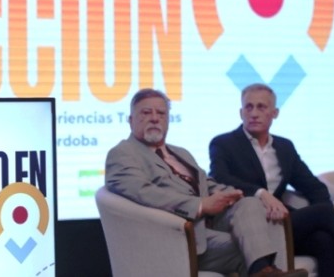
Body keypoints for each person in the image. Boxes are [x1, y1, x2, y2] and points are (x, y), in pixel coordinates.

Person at [105, 88, 307, 277]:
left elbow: (206, 183)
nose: (155, 118)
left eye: (161, 113)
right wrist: (200, 205)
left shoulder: (180, 152)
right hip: (175, 235)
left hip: (207, 225)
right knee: (250, 249)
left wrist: (230, 194)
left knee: (249, 203)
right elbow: (143, 192)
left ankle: (263, 271)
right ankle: (264, 271)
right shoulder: (122, 154)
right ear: (130, 120)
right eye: (146, 113)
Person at [209, 83, 334, 277]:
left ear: (275, 113)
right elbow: (220, 177)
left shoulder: (284, 147)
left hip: (280, 221)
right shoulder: (223, 143)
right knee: (325, 215)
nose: (254, 113)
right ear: (240, 112)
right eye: (248, 107)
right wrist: (261, 194)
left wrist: (319, 218)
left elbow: (314, 187)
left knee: (324, 239)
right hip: (249, 225)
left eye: (261, 107)